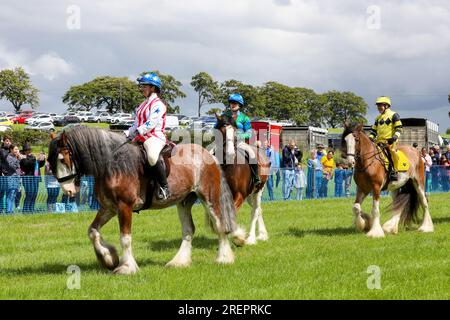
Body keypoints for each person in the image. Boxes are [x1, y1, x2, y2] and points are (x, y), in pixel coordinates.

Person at [125, 72, 170, 200]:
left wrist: (138, 131)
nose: (142, 89)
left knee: (151, 156)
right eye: (142, 86)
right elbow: (136, 124)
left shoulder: (158, 104)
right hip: (140, 136)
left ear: (153, 88)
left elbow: (151, 123)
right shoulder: (142, 105)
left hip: (155, 137)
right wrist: (126, 133)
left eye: (144, 86)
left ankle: (164, 187)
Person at [219, 93, 261, 187]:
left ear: (239, 105)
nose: (233, 104)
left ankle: (255, 177)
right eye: (231, 102)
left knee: (251, 153)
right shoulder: (224, 116)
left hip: (239, 143)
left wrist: (240, 135)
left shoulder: (244, 118)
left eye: (235, 103)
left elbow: (249, 133)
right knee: (209, 153)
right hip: (224, 142)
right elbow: (216, 127)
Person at [368, 96, 403, 181]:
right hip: (379, 142)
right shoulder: (377, 118)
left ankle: (394, 171)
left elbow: (399, 128)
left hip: (390, 142)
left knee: (392, 152)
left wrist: (394, 137)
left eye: (380, 105)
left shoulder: (394, 115)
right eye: (378, 106)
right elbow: (373, 131)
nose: (379, 107)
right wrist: (371, 138)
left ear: (386, 106)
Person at [20, 144, 45, 213]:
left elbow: (40, 165)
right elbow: (27, 164)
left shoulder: (33, 157)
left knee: (34, 194)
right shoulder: (22, 158)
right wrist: (37, 160)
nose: (28, 151)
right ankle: (25, 210)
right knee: (29, 194)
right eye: (26, 150)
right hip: (27, 178)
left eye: (29, 150)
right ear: (24, 151)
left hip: (35, 178)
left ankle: (31, 209)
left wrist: (42, 159)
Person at [3, 144, 21, 213]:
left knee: (14, 194)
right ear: (11, 149)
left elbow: (18, 168)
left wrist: (18, 159)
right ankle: (8, 210)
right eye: (15, 149)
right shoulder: (8, 157)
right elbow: (13, 167)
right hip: (11, 177)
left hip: (17, 177)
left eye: (17, 149)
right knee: (10, 194)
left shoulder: (17, 157)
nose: (17, 150)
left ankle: (11, 210)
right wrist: (17, 159)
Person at [0, 135, 12, 213]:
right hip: (3, 174)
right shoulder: (1, 150)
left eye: (9, 141)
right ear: (3, 141)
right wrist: (1, 171)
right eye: (7, 141)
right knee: (1, 193)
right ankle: (0, 210)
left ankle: (9, 210)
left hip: (11, 174)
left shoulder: (12, 150)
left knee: (10, 193)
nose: (8, 142)